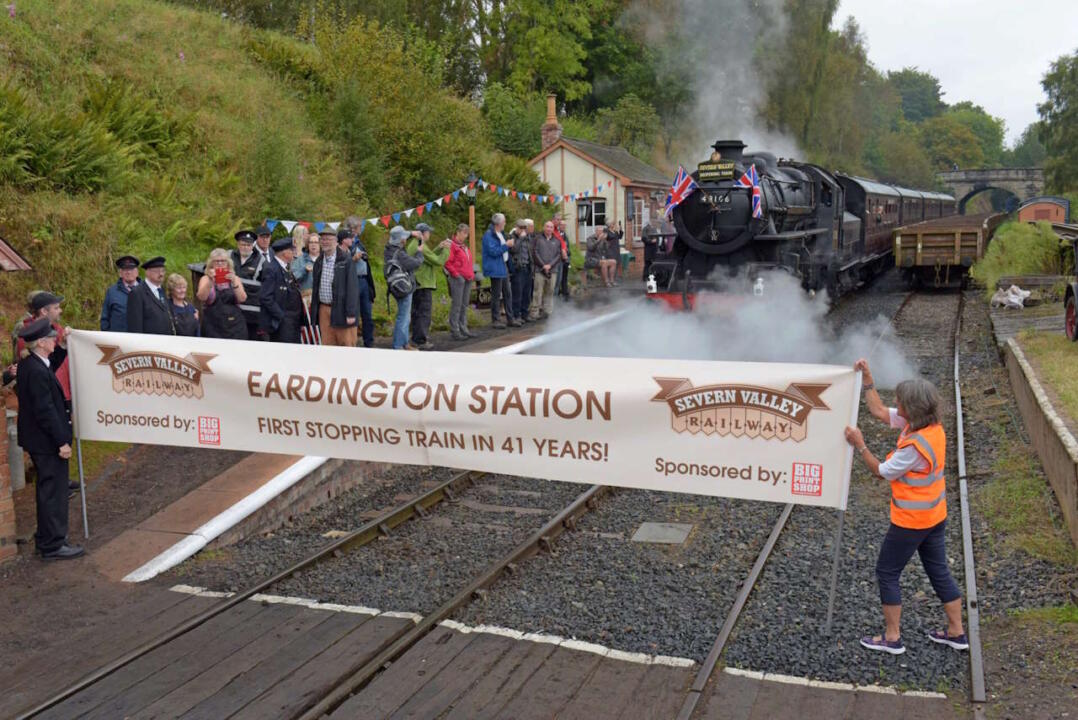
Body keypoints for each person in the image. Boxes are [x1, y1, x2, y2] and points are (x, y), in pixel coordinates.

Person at [844, 358, 967, 656]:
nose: (896, 405)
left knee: (887, 571)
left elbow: (881, 471)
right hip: (935, 516)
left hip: (912, 521)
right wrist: (869, 378)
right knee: (939, 571)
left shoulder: (914, 447)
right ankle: (956, 632)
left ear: (911, 410)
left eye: (900, 403)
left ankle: (892, 637)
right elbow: (877, 410)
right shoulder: (930, 426)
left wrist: (860, 444)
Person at [16, 318, 82, 560]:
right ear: (42, 343)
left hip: (38, 441)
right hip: (46, 442)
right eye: (53, 338)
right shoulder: (35, 371)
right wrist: (61, 442)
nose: (56, 339)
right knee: (53, 492)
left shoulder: (32, 363)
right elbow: (45, 411)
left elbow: (50, 365)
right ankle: (53, 544)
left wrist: (63, 346)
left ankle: (46, 539)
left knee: (48, 490)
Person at [16, 292, 71, 405]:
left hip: (62, 393)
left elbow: (53, 362)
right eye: (56, 308)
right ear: (44, 311)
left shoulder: (58, 329)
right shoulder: (29, 336)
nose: (60, 310)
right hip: (44, 395)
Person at [312, 227, 359, 347]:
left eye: (328, 239)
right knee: (327, 344)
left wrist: (351, 313)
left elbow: (352, 288)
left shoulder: (346, 260)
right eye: (322, 239)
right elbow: (315, 288)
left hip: (342, 309)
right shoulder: (318, 261)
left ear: (336, 242)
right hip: (324, 309)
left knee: (346, 344)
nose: (325, 242)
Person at [408, 222, 450, 350]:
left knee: (416, 312)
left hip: (416, 282)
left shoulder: (414, 244)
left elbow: (428, 257)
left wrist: (439, 247)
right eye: (428, 232)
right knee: (424, 313)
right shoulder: (421, 246)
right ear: (423, 233)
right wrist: (447, 249)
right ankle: (420, 340)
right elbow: (438, 261)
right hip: (423, 283)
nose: (430, 234)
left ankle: (416, 338)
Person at [383, 225, 424, 349]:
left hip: (396, 287)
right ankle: (399, 345)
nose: (405, 239)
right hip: (404, 287)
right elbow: (415, 263)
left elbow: (400, 236)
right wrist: (419, 252)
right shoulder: (399, 253)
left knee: (404, 315)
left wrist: (412, 233)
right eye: (404, 237)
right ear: (401, 240)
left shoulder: (389, 249)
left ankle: (405, 343)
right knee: (404, 317)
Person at [259, 236, 305, 343]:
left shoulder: (285, 267)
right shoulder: (272, 269)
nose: (294, 253)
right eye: (292, 250)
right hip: (282, 321)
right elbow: (265, 297)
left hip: (293, 320)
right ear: (284, 253)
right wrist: (281, 316)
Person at [197, 248, 248, 340]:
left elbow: (242, 299)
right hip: (213, 327)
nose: (220, 263)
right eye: (217, 261)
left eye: (223, 261)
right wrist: (210, 282)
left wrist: (234, 282)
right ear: (211, 263)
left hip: (235, 326)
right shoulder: (205, 278)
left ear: (228, 263)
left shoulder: (235, 278)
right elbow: (201, 297)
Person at [343, 219, 377, 348]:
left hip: (364, 280)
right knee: (353, 314)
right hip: (353, 280)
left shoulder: (359, 242)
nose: (361, 228)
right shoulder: (344, 242)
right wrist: (353, 258)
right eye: (359, 226)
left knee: (367, 313)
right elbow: (342, 262)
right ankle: (352, 343)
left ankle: (369, 342)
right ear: (353, 228)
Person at [481, 213, 518, 328]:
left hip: (503, 266)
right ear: (499, 223)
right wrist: (506, 245)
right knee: (496, 295)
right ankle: (495, 320)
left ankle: (510, 318)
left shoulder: (500, 234)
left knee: (508, 293)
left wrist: (509, 245)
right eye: (504, 222)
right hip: (495, 267)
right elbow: (493, 252)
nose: (505, 224)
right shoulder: (488, 235)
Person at [126, 256, 175, 335]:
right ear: (147, 273)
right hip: (148, 344)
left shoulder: (162, 290)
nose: (161, 274)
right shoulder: (137, 293)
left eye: (163, 271)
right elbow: (135, 327)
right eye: (157, 271)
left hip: (165, 342)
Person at [444, 223, 475, 340]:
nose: (466, 236)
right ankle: (455, 330)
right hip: (458, 279)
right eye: (464, 233)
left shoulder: (463, 246)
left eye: (467, 233)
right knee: (457, 305)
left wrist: (471, 274)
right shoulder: (452, 246)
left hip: (467, 278)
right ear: (458, 233)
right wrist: (456, 275)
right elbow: (448, 262)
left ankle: (464, 328)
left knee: (464, 304)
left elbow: (468, 262)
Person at [529, 220, 562, 321]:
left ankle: (548, 311)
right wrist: (543, 265)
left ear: (553, 229)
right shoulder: (537, 238)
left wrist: (550, 265)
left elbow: (558, 255)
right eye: (547, 226)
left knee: (550, 291)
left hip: (553, 270)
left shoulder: (557, 240)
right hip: (539, 269)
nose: (549, 229)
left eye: (551, 227)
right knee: (537, 291)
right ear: (544, 227)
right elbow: (534, 252)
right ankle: (535, 312)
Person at [100, 255, 140, 332]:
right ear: (120, 273)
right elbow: (105, 319)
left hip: (140, 340)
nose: (128, 272)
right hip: (118, 340)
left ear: (137, 272)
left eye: (131, 269)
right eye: (125, 269)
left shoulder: (145, 291)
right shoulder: (111, 292)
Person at [508, 219, 533, 322]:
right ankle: (516, 315)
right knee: (517, 293)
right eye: (521, 228)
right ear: (516, 227)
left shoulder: (527, 238)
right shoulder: (512, 237)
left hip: (527, 266)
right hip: (518, 268)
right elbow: (514, 249)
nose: (523, 230)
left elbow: (529, 252)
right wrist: (521, 239)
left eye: (524, 228)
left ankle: (525, 313)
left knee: (526, 293)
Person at [552, 213, 571, 300]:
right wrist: (562, 250)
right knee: (554, 284)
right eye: (558, 220)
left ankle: (555, 303)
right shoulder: (551, 229)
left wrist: (564, 250)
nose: (559, 222)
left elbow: (562, 242)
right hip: (553, 261)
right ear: (553, 219)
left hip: (560, 260)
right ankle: (551, 305)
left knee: (558, 282)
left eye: (560, 220)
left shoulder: (557, 231)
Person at [603, 221, 624, 287]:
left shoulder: (615, 232)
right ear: (609, 225)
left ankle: (613, 280)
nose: (614, 225)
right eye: (613, 224)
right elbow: (604, 239)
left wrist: (620, 229)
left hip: (616, 250)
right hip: (610, 250)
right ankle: (608, 281)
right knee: (611, 265)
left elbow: (620, 237)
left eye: (614, 224)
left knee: (616, 265)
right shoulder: (607, 232)